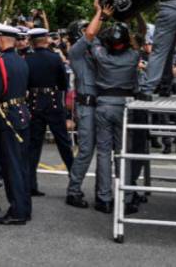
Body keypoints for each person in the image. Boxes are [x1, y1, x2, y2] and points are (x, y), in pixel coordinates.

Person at [81, 0, 140, 214]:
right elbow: (135, 42)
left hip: (104, 105)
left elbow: (89, 35)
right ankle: (126, 196)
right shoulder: (133, 57)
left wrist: (101, 14)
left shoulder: (101, 55)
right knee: (123, 153)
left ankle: (104, 198)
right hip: (125, 106)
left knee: (103, 153)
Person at [0, 23, 32, 226]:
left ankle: (17, 211)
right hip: (21, 113)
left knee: (11, 165)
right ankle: (24, 207)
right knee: (22, 165)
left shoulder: (0, 62)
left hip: (7, 116)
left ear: (2, 39)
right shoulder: (21, 61)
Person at [24, 27, 73, 197]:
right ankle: (74, 181)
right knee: (64, 143)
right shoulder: (55, 58)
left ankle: (30, 184)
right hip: (53, 103)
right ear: (45, 39)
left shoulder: (27, 59)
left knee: (34, 146)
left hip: (35, 103)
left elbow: (26, 83)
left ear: (31, 41)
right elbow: (63, 84)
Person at [64, 19, 98, 209]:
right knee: (85, 150)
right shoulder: (76, 52)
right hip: (86, 107)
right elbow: (90, 36)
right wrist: (99, 14)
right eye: (85, 29)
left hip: (99, 106)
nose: (91, 32)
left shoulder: (95, 51)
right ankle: (74, 190)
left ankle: (103, 191)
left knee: (103, 152)